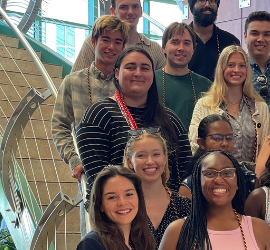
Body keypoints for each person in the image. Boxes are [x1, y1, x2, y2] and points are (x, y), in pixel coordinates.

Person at [76, 47, 191, 196]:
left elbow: (186, 170)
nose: (138, 73)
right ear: (117, 73)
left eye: (145, 68)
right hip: (121, 209)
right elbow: (98, 177)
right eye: (130, 67)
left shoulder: (170, 118)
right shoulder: (99, 114)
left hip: (170, 209)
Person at [53, 16, 129, 183]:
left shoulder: (128, 84)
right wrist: (74, 160)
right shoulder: (72, 81)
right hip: (89, 171)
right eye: (106, 40)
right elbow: (59, 126)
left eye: (117, 42)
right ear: (93, 42)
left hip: (125, 171)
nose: (111, 47)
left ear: (123, 47)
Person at [188, 45, 270, 175]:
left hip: (252, 181)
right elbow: (195, 145)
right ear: (221, 68)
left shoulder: (261, 107)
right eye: (230, 65)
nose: (236, 70)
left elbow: (267, 148)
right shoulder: (204, 105)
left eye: (242, 65)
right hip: (215, 178)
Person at [72, 0, 167, 73]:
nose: (130, 12)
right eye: (124, 7)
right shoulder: (94, 43)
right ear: (113, 12)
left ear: (141, 11)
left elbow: (164, 85)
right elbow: (75, 80)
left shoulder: (154, 49)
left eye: (135, 7)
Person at [180, 114, 257, 198]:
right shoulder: (190, 186)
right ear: (201, 143)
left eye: (229, 138)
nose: (225, 143)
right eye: (217, 138)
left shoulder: (249, 180)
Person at [157, 22, 212, 131]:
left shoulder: (206, 86)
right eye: (175, 42)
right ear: (163, 47)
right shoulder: (149, 81)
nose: (181, 48)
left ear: (193, 50)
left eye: (187, 43)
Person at [185, 0, 242, 82]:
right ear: (192, 5)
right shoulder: (182, 40)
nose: (207, 5)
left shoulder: (230, 42)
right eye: (201, 0)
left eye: (212, 0)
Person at [243, 11, 270, 107]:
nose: (260, 39)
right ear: (245, 37)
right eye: (255, 33)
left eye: (266, 34)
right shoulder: (235, 72)